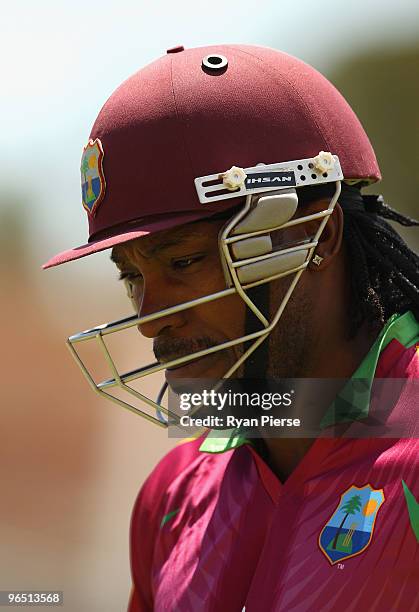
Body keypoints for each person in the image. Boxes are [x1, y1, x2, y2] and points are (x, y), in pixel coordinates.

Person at [44, 45, 419, 611]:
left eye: (185, 262)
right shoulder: (172, 493)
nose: (151, 320)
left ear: (317, 237)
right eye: (133, 277)